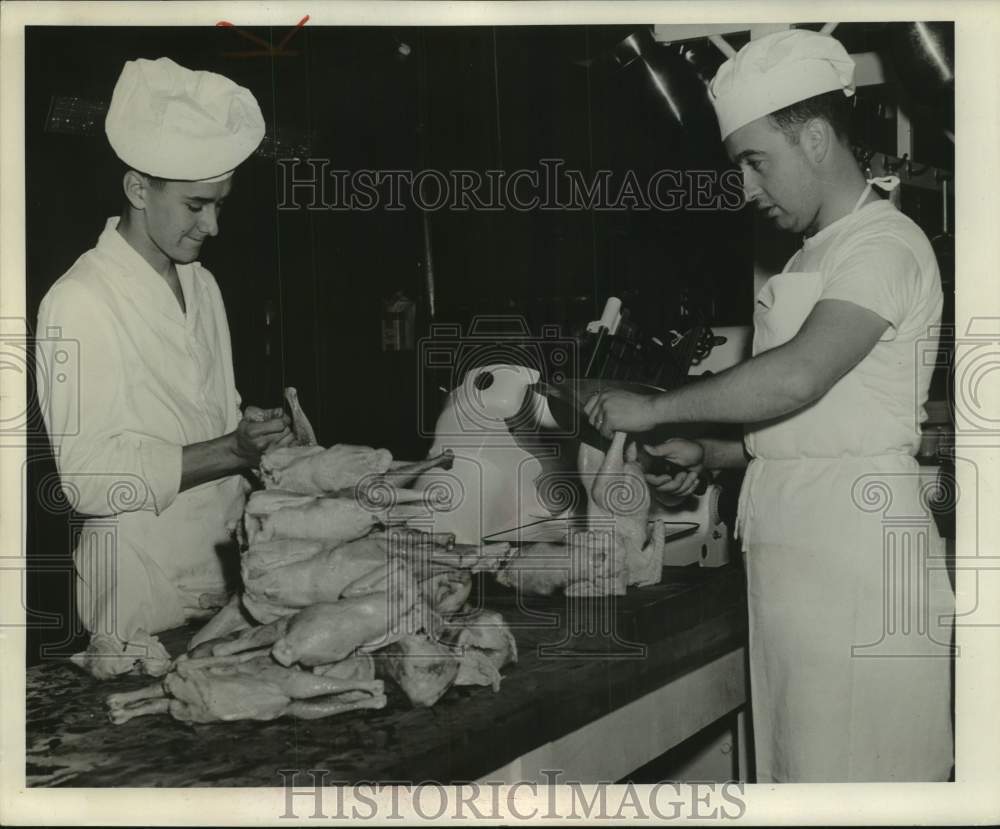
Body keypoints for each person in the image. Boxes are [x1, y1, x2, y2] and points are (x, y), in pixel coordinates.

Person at [585, 29, 953, 782]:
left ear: (815, 137)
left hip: (857, 567)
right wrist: (716, 454)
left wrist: (657, 413)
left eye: (757, 161)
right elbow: (812, 428)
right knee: (798, 769)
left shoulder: (883, 243)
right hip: (797, 563)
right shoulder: (806, 256)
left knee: (859, 778)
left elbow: (798, 379)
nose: (747, 186)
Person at [36, 57, 294, 679]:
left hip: (225, 579)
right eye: (197, 206)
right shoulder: (78, 301)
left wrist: (257, 439)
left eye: (219, 206)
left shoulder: (200, 284)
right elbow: (88, 479)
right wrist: (229, 449)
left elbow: (213, 415)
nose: (212, 225)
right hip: (141, 599)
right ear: (137, 190)